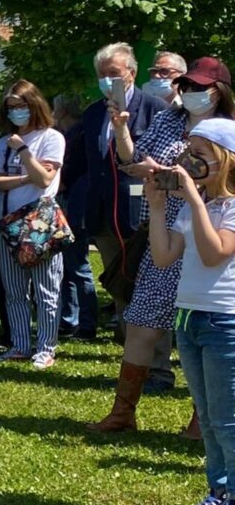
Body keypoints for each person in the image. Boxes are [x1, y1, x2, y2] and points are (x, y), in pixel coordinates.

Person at [89, 56, 233, 432]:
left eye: (198, 87)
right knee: (141, 324)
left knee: (205, 329)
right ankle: (123, 413)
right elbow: (133, 158)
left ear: (219, 92)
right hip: (163, 231)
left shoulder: (230, 131)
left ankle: (201, 419)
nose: (188, 93)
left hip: (212, 230)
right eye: (185, 86)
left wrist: (176, 177)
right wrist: (122, 131)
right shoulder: (169, 117)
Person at [146, 119, 235, 505]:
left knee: (228, 418)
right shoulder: (189, 204)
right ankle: (218, 492)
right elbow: (164, 257)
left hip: (225, 320)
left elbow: (216, 252)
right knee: (208, 416)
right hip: (189, 316)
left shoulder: (230, 206)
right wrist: (160, 206)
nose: (191, 160)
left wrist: (196, 201)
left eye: (201, 152)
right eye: (189, 151)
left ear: (225, 159)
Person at [79, 43, 167, 330]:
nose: (107, 79)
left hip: (140, 213)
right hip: (104, 214)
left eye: (113, 73)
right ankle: (128, 351)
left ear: (131, 73)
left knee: (146, 284)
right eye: (101, 74)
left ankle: (153, 361)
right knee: (119, 283)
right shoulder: (92, 113)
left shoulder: (156, 109)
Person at [0, 81, 67, 369]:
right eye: (11, 108)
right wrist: (24, 178)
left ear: (34, 105)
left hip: (40, 223)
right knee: (14, 290)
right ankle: (20, 344)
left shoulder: (51, 138)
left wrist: (23, 150)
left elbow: (45, 179)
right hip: (6, 223)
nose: (16, 113)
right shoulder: (2, 142)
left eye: (21, 107)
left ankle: (46, 348)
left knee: (46, 288)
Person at [53, 95, 99, 340]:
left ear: (62, 110)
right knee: (69, 266)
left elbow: (68, 175)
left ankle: (87, 322)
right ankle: (70, 319)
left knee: (78, 265)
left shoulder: (77, 137)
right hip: (71, 205)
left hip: (75, 207)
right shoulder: (72, 134)